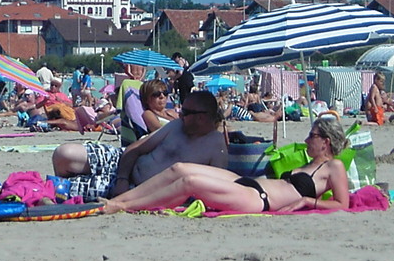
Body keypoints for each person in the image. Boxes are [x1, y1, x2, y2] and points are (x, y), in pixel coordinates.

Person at [102, 116, 350, 214]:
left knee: (191, 183)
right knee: (180, 168)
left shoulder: (333, 166)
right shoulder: (308, 163)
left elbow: (342, 204)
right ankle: (121, 198)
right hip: (251, 185)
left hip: (259, 199)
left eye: (312, 135)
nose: (307, 139)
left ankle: (122, 207)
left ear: (325, 142)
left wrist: (308, 201)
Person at [49, 90, 228, 202]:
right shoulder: (176, 127)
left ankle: (72, 187)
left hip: (140, 190)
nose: (180, 115)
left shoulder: (215, 147)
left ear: (202, 117)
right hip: (121, 163)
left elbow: (214, 190)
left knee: (55, 190)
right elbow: (134, 149)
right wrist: (122, 179)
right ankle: (76, 180)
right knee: (63, 154)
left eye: (186, 112)